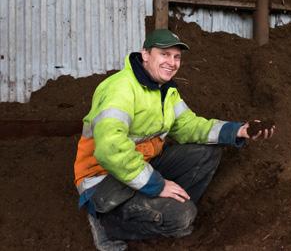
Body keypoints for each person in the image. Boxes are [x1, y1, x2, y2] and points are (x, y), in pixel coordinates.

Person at [74, 29, 274, 251]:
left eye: (176, 57)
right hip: (102, 179)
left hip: (138, 167)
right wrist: (157, 185)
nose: (172, 62)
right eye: (164, 54)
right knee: (183, 217)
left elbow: (189, 125)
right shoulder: (120, 89)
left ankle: (165, 209)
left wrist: (238, 130)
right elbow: (111, 150)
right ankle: (107, 225)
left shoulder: (165, 91)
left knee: (207, 152)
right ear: (146, 54)